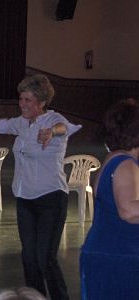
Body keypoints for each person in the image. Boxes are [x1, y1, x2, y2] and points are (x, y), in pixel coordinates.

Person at [0, 74, 81, 300]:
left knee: (45, 258)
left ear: (41, 102)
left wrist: (51, 132)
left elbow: (64, 128)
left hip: (51, 198)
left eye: (28, 100)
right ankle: (35, 297)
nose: (22, 104)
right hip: (25, 198)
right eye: (21, 99)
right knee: (29, 258)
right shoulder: (20, 123)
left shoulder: (54, 120)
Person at [80, 99, 139, 300]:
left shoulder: (117, 159)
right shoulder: (126, 164)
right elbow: (129, 211)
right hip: (117, 256)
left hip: (111, 252)